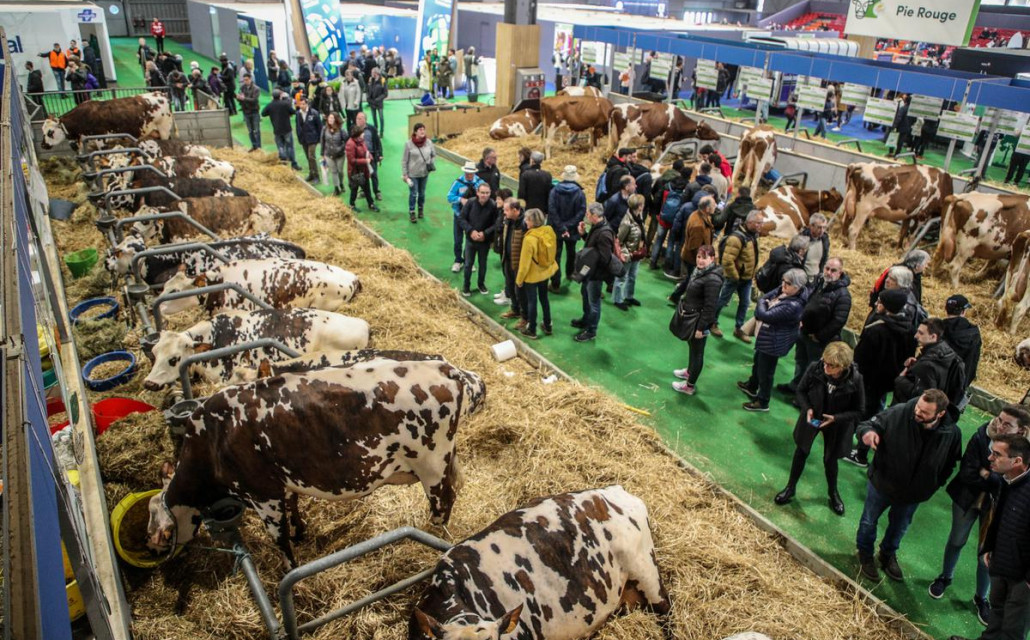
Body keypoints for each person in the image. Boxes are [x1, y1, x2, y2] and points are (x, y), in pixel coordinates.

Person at [931, 406, 1030, 627]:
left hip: (997, 506)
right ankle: (945, 577)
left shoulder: (1024, 451)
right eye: (999, 419)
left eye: (1007, 424)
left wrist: (987, 474)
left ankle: (981, 597)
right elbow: (968, 473)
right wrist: (996, 478)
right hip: (967, 498)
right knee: (956, 540)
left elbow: (1011, 483)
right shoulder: (980, 435)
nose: (999, 425)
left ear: (1021, 430)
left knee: (986, 554)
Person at [855, 389, 962, 583]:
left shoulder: (952, 433)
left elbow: (950, 463)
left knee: (900, 527)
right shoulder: (899, 412)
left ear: (940, 414)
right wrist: (868, 433)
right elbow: (867, 425)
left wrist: (935, 484)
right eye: (918, 407)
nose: (917, 412)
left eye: (924, 412)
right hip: (882, 483)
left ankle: (887, 554)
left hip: (913, 494)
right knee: (869, 521)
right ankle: (865, 553)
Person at [775, 341, 865, 516]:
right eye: (825, 362)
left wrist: (836, 418)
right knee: (801, 451)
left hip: (836, 424)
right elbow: (801, 391)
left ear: (842, 367)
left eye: (831, 365)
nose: (825, 367)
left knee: (830, 459)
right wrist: (807, 408)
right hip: (813, 416)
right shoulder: (815, 368)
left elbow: (859, 410)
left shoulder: (856, 379)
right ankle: (790, 487)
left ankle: (833, 493)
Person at [847, 289, 918, 468]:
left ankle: (859, 452)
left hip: (869, 380)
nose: (876, 304)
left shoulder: (876, 329)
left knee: (862, 412)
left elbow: (860, 358)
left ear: (886, 307)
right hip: (889, 381)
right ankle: (862, 450)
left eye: (879, 302)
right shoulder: (909, 329)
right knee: (876, 410)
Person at [738, 268, 809, 412]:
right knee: (758, 363)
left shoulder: (793, 305)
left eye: (788, 283)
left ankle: (763, 401)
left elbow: (765, 315)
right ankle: (752, 386)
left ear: (797, 287)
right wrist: (763, 302)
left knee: (766, 372)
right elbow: (766, 297)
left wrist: (762, 303)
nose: (783, 285)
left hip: (773, 342)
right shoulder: (787, 291)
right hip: (767, 337)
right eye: (783, 281)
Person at [781, 257, 851, 394]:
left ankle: (805, 394)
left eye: (833, 270)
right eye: (827, 268)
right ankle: (795, 386)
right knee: (800, 361)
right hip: (805, 332)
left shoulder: (843, 295)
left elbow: (839, 320)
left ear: (840, 272)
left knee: (814, 368)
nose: (829, 272)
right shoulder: (819, 283)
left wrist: (819, 336)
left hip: (819, 340)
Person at [671, 244, 724, 396]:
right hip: (692, 318)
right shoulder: (700, 271)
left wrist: (701, 328)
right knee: (692, 347)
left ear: (712, 259)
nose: (700, 260)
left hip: (700, 321)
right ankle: (689, 371)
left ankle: (689, 386)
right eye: (699, 257)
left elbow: (710, 307)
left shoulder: (713, 280)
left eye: (704, 258)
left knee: (697, 353)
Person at [893, 318, 966, 422]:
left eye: (920, 333)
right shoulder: (947, 354)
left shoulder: (927, 364)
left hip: (912, 417)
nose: (916, 336)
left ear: (933, 336)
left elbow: (923, 397)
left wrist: (900, 380)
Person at [712, 210, 762, 341]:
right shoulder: (736, 238)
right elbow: (727, 260)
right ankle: (712, 322)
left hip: (746, 278)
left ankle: (739, 328)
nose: (760, 225)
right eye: (758, 223)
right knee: (722, 300)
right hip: (735, 278)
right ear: (749, 222)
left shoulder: (752, 236)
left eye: (761, 223)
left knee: (745, 303)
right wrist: (735, 276)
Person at [571, 203, 613, 342]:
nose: (586, 216)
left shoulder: (605, 234)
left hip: (595, 275)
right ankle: (586, 319)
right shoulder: (597, 227)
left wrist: (588, 258)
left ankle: (591, 330)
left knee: (594, 303)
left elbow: (605, 258)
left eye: (588, 214)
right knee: (585, 294)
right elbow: (593, 245)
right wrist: (584, 234)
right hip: (589, 272)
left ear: (595, 215)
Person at [515, 208, 558, 339]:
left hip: (532, 276)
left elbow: (524, 264)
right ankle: (548, 324)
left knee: (532, 301)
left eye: (527, 219)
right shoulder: (549, 230)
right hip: (545, 272)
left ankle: (532, 329)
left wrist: (519, 280)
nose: (525, 221)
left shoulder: (529, 239)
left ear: (532, 222)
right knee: (544, 298)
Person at [548, 165, 587, 293]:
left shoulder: (554, 191)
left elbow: (552, 210)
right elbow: (581, 212)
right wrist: (569, 226)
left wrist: (561, 226)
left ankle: (555, 284)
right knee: (571, 252)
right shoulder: (580, 193)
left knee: (556, 255)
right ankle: (570, 273)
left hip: (556, 229)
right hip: (572, 229)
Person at [459, 184, 500, 297]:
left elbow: (496, 224)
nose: (484, 195)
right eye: (482, 193)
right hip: (470, 240)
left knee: (483, 264)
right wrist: (471, 231)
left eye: (487, 193)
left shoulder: (493, 206)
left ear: (490, 193)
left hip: (484, 242)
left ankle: (481, 284)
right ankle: (466, 286)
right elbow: (461, 218)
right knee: (468, 264)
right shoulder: (470, 202)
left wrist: (485, 233)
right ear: (477, 192)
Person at [942, 294, 982, 400]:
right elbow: (973, 362)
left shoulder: (937, 328)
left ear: (946, 309)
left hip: (935, 382)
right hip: (958, 385)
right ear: (963, 311)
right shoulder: (974, 334)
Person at [447, 163, 484, 273]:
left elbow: (485, 196)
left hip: (473, 217)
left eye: (471, 173)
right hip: (459, 215)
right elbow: (449, 196)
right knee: (458, 240)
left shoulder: (480, 183)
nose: (468, 175)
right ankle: (458, 260)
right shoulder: (458, 182)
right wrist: (460, 199)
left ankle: (469, 261)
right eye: (467, 173)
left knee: (471, 240)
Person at [613, 194, 646, 311]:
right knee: (621, 278)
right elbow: (619, 240)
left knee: (632, 276)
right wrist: (625, 255)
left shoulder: (639, 217)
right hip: (627, 255)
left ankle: (629, 296)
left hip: (636, 254)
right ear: (639, 206)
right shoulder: (626, 222)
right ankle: (617, 299)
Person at [498, 198, 527, 325]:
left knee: (521, 291)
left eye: (506, 210)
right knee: (510, 286)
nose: (504, 212)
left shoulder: (525, 223)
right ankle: (515, 309)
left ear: (515, 210)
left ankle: (525, 316)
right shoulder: (508, 220)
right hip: (508, 259)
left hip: (519, 263)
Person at [402, 123, 435, 223]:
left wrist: (431, 163)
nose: (422, 131)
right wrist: (405, 174)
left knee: (422, 194)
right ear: (415, 132)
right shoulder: (408, 144)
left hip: (424, 173)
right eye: (420, 129)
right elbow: (404, 160)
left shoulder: (429, 142)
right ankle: (412, 211)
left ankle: (420, 209)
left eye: (423, 129)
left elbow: (433, 155)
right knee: (413, 194)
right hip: (412, 174)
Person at [261, 90, 301, 171]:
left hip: (277, 129)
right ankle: (293, 164)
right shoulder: (285, 104)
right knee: (290, 147)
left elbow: (263, 113)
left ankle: (283, 163)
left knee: (280, 147)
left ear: (272, 97)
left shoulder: (270, 105)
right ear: (280, 96)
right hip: (287, 128)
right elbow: (293, 112)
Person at [345, 124, 377, 212]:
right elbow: (352, 160)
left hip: (363, 170)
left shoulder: (361, 141)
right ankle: (351, 205)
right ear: (358, 134)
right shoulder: (350, 144)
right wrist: (365, 161)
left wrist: (369, 156)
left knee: (367, 188)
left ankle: (371, 204)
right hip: (355, 172)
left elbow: (366, 151)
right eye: (362, 133)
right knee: (354, 189)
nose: (364, 134)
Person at [295, 97, 323, 183]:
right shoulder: (298, 114)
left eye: (303, 104)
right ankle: (311, 174)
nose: (302, 106)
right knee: (308, 157)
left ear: (307, 104)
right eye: (300, 104)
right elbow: (297, 126)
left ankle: (316, 176)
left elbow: (320, 126)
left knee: (311, 157)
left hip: (313, 138)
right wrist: (299, 137)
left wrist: (320, 139)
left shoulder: (314, 113)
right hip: (304, 139)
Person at [320, 112, 347, 196]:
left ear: (336, 119)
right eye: (329, 118)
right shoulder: (324, 129)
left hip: (340, 155)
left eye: (332, 118)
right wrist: (322, 153)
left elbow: (347, 141)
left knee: (340, 171)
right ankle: (336, 188)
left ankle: (341, 183)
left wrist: (340, 148)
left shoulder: (342, 130)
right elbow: (322, 141)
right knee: (334, 171)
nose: (330, 119)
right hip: (328, 154)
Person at [800, 213, 830, 281]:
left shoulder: (824, 240)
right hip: (802, 279)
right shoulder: (801, 239)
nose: (822, 230)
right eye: (819, 227)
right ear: (811, 226)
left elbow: (824, 259)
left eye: (824, 227)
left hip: (816, 279)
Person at [236, 74, 261, 151]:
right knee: (250, 131)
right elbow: (240, 98)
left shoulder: (256, 89)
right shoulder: (242, 88)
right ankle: (254, 146)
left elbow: (254, 100)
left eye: (246, 80)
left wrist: (244, 98)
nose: (245, 81)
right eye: (244, 80)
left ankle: (259, 147)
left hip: (254, 111)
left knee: (256, 130)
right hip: (246, 111)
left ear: (250, 79)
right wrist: (238, 98)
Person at [367, 68, 387, 133]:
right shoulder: (371, 80)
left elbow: (385, 93)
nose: (371, 74)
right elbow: (368, 90)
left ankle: (381, 131)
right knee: (374, 117)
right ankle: (375, 130)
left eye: (372, 73)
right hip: (372, 102)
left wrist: (378, 99)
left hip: (379, 103)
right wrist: (368, 98)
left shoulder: (382, 80)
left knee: (381, 118)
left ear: (376, 73)